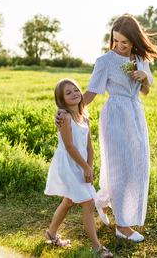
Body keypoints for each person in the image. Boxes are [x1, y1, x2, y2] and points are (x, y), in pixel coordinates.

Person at [56, 15, 157, 242]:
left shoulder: (141, 58)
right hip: (114, 115)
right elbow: (90, 93)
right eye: (116, 40)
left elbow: (145, 92)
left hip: (135, 115)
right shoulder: (104, 61)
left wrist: (144, 76)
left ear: (134, 39)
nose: (119, 45)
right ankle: (122, 226)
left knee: (136, 165)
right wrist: (65, 109)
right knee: (119, 166)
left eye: (124, 42)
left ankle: (102, 200)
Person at [44, 78, 113, 257]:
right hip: (69, 164)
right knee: (89, 203)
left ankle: (51, 233)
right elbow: (69, 147)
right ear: (61, 99)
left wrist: (88, 168)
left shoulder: (85, 118)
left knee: (68, 200)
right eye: (68, 92)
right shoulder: (64, 117)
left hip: (81, 165)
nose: (74, 94)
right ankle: (96, 246)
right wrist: (85, 168)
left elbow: (89, 146)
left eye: (76, 90)